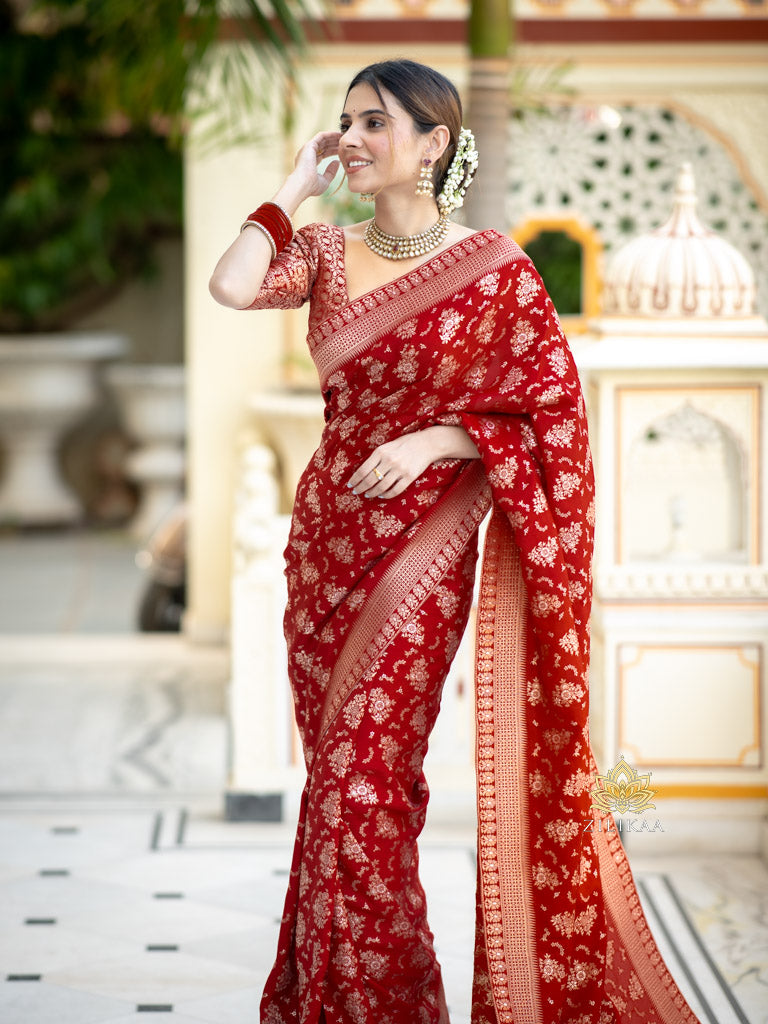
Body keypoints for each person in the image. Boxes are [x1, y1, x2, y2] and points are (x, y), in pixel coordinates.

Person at [210, 59, 700, 1024]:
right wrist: (293, 184)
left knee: (367, 786)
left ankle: (373, 1006)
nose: (351, 138)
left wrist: (440, 436)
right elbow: (231, 286)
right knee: (339, 786)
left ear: (434, 143)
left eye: (374, 123)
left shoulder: (496, 272)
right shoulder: (325, 254)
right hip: (327, 548)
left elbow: (552, 413)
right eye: (345, 122)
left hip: (421, 556)